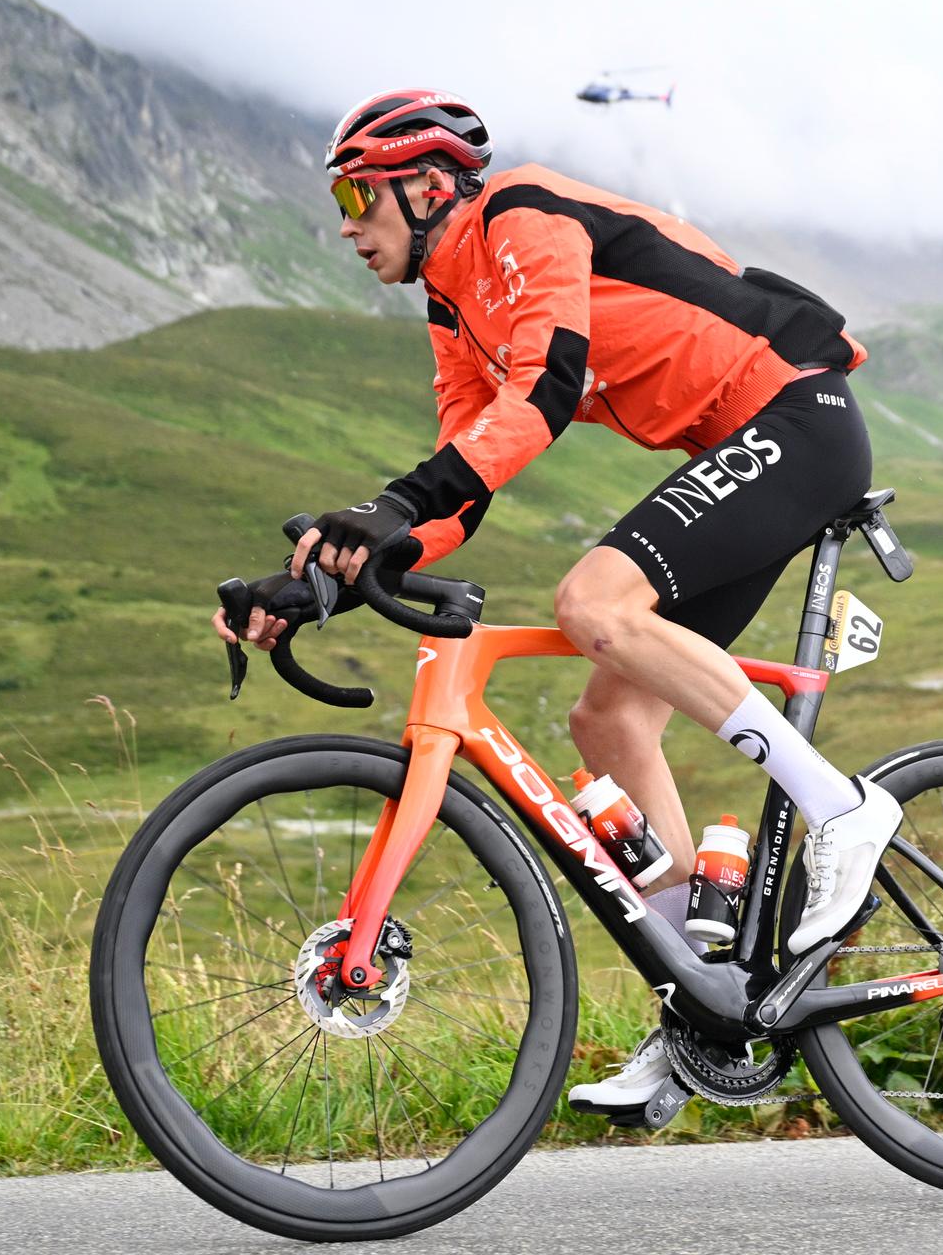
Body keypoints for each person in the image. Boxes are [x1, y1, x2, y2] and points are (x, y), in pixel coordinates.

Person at [212, 88, 903, 1116]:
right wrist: (330, 578)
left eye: (359, 194)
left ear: (428, 184)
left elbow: (547, 385)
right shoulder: (453, 307)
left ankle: (841, 807)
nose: (347, 224)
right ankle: (705, 1004)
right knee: (608, 718)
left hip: (795, 414)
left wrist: (392, 505)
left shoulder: (524, 216)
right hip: (734, 448)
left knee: (593, 602)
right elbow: (460, 487)